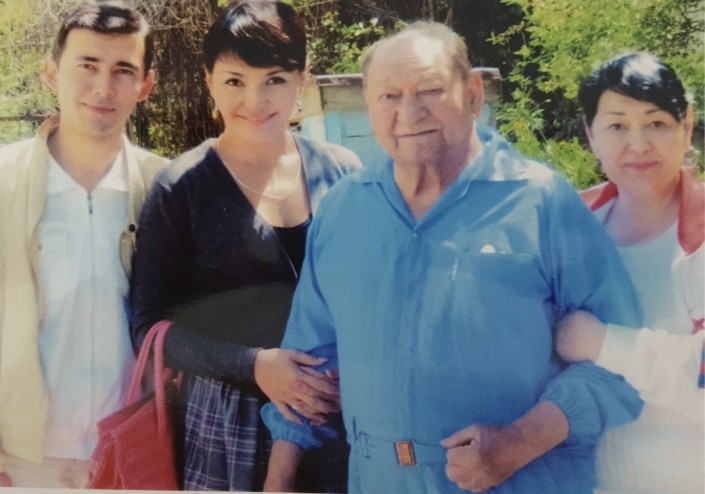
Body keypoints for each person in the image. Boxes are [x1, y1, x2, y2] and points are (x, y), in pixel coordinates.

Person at [261, 21, 645, 494]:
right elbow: (310, 366)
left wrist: (520, 441)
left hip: (523, 481)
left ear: (473, 94)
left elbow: (623, 360)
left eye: (430, 90)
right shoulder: (343, 210)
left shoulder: (541, 200)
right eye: (389, 96)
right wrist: (278, 481)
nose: (409, 112)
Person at [128, 1, 361, 491]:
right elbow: (147, 327)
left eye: (274, 79)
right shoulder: (182, 187)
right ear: (209, 82)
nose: (255, 101)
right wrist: (255, 365)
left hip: (342, 415)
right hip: (230, 424)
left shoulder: (343, 171)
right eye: (235, 81)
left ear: (302, 79)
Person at [0, 1, 166, 488]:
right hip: (20, 461)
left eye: (122, 70)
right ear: (52, 72)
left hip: (133, 456)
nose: (103, 87)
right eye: (87, 66)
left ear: (145, 85)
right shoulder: (4, 181)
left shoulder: (167, 188)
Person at [556, 52, 704, 494]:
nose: (637, 145)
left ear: (687, 125)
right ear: (590, 134)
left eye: (656, 123)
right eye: (617, 126)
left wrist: (603, 344)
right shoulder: (567, 225)